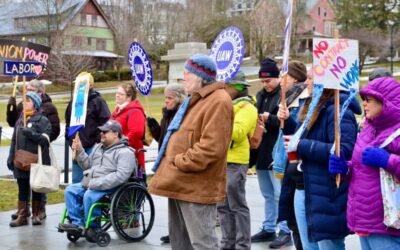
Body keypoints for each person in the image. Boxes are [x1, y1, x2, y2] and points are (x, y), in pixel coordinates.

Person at [148, 54, 234, 250]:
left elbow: (212, 147)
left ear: (200, 76)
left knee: (203, 245)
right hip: (180, 183)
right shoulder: (196, 100)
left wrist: (180, 161)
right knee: (180, 243)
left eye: (187, 73)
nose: (183, 78)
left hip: (196, 187)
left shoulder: (218, 100)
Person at [282, 82, 361, 249]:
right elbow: (301, 137)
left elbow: (344, 151)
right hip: (303, 188)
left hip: (326, 193)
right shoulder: (312, 106)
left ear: (326, 82)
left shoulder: (339, 111)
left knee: (329, 246)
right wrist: (288, 122)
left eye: (311, 78)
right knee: (308, 246)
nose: (306, 83)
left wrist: (302, 145)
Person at [329, 77, 400, 250]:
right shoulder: (368, 128)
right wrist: (345, 169)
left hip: (388, 225)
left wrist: (387, 160)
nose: (364, 105)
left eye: (369, 100)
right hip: (365, 220)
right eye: (363, 100)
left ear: (385, 102)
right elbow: (362, 169)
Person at [58, 120, 136, 242]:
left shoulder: (125, 152)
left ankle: (94, 229)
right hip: (91, 183)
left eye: (105, 132)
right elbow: (88, 165)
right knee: (70, 190)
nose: (101, 134)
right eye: (101, 132)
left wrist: (95, 184)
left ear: (116, 134)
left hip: (111, 186)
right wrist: (79, 150)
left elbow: (121, 176)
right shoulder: (99, 148)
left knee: (89, 195)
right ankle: (78, 224)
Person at [250, 58, 292, 247]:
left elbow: (287, 123)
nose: (265, 84)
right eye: (263, 81)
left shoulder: (284, 95)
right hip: (261, 149)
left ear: (277, 78)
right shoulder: (260, 94)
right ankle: (268, 227)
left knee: (278, 193)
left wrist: (271, 118)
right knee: (267, 193)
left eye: (269, 80)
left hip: (276, 150)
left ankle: (285, 230)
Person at [7, 79, 61, 222]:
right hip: (20, 159)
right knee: (23, 188)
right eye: (24, 101)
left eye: (28, 101)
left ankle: (37, 213)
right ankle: (23, 214)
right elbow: (14, 140)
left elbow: (45, 139)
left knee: (37, 188)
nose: (24, 103)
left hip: (36, 159)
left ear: (35, 104)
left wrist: (31, 134)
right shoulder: (20, 119)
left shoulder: (42, 120)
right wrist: (11, 157)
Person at [217, 70, 257, 250]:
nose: (223, 88)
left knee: (237, 205)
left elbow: (238, 133)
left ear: (236, 88)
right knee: (222, 206)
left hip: (236, 163)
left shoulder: (248, 108)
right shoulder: (225, 106)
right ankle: (227, 243)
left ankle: (242, 245)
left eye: (226, 85)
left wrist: (219, 120)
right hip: (220, 162)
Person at [275, 62, 310, 250]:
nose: (281, 80)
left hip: (299, 164)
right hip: (290, 161)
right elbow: (292, 131)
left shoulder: (305, 100)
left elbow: (302, 134)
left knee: (302, 225)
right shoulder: (288, 98)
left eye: (284, 76)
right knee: (294, 220)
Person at [153, 83, 187, 244]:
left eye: (170, 98)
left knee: (181, 201)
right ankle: (174, 232)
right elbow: (163, 138)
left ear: (179, 98)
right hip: (166, 160)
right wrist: (154, 128)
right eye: (165, 97)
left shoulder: (184, 114)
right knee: (172, 200)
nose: (166, 101)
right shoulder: (167, 114)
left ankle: (182, 232)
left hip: (177, 161)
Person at [65, 72, 111, 184]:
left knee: (90, 180)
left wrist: (97, 141)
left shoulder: (98, 101)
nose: (79, 87)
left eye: (82, 84)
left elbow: (105, 123)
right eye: (78, 84)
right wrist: (71, 140)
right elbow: (68, 123)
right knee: (76, 182)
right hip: (77, 146)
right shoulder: (74, 102)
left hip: (92, 148)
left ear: (90, 85)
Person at [111, 83, 146, 169]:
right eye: (117, 93)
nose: (117, 96)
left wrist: (120, 146)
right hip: (117, 155)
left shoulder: (135, 111)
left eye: (121, 94)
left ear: (129, 97)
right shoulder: (118, 110)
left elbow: (136, 133)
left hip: (131, 155)